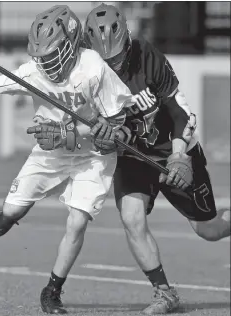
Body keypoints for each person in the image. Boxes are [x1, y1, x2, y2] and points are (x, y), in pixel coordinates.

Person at [0, 5, 135, 314]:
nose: (45, 63)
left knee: (77, 223)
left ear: (71, 45)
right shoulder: (35, 71)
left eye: (51, 55)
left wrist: (72, 135)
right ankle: (10, 215)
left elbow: (117, 130)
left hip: (92, 157)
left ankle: (52, 290)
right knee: (7, 217)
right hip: (49, 154)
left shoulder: (93, 69)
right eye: (40, 56)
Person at [84, 3, 231, 315]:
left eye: (119, 56)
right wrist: (94, 138)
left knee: (209, 230)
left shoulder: (147, 57)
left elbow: (181, 113)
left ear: (127, 40)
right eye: (106, 59)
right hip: (133, 156)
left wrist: (179, 155)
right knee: (132, 217)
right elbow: (96, 134)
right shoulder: (86, 74)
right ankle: (164, 293)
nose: (115, 64)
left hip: (173, 151)